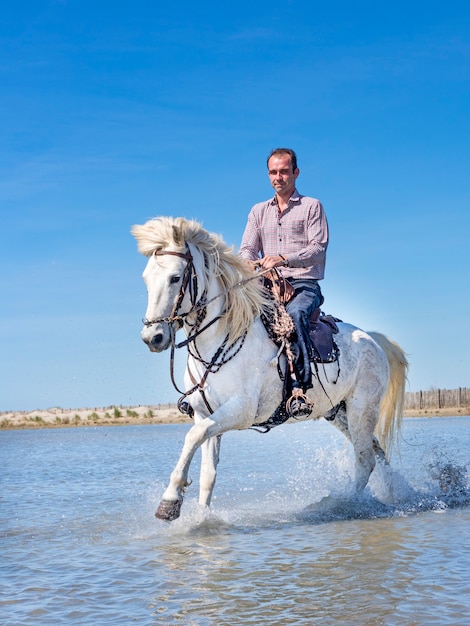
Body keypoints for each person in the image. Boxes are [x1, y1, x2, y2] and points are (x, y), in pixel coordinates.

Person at [239, 148, 329, 417]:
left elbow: (318, 249)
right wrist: (259, 268)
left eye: (284, 171)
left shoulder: (312, 206)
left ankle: (299, 389)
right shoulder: (257, 211)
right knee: (236, 313)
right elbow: (246, 250)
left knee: (295, 314)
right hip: (267, 283)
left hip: (304, 284)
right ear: (268, 175)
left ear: (295, 173)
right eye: (273, 172)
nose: (278, 177)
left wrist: (283, 259)